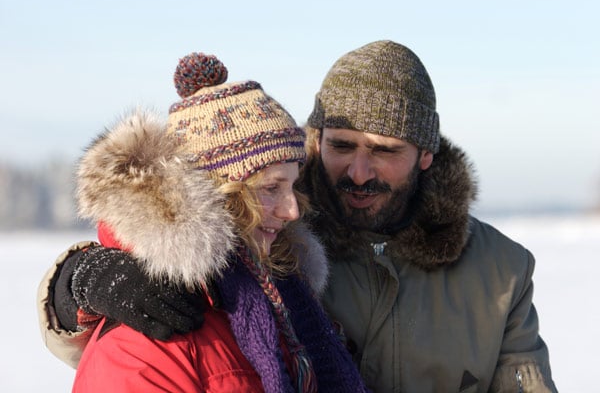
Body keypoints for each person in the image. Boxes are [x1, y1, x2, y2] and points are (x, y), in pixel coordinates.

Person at [38, 41, 558, 392]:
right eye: (342, 144)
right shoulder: (279, 242)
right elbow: (161, 254)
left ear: (426, 153)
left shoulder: (502, 271)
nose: (358, 171)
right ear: (314, 140)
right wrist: (74, 284)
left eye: (385, 150)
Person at [38, 51, 369, 392]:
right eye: (270, 188)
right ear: (215, 195)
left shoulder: (286, 302)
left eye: (293, 186)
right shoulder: (149, 333)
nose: (292, 211)